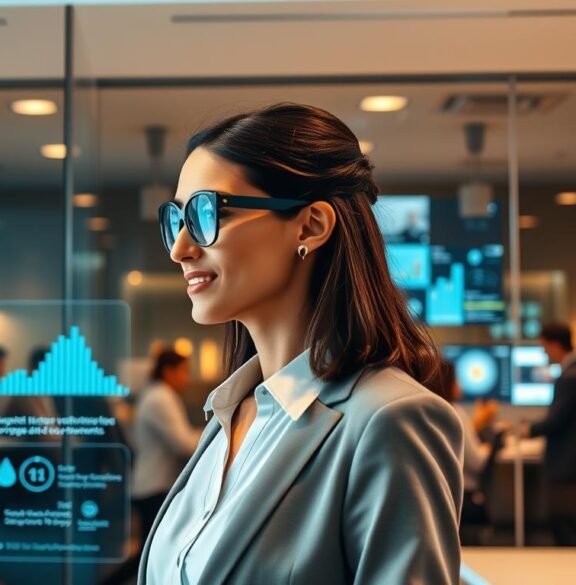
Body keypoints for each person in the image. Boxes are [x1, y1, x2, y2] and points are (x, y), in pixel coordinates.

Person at [141, 103, 463, 584]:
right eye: (178, 218)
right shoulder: (230, 414)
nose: (180, 247)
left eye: (206, 213)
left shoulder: (389, 420)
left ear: (310, 226)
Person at [102, 349, 201, 585]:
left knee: (152, 552)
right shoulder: (161, 398)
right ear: (168, 371)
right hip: (153, 486)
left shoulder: (156, 395)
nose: (186, 378)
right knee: (149, 555)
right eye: (183, 371)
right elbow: (183, 444)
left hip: (153, 484)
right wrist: (218, 435)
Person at [523, 322, 576, 545]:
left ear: (555, 345)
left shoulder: (569, 377)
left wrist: (528, 430)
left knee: (563, 524)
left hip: (566, 465)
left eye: (544, 347)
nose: (544, 354)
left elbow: (556, 421)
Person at [441, 359, 499, 542]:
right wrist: (492, 443)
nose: (460, 385)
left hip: (445, 495)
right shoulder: (455, 411)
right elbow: (477, 462)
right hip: (466, 496)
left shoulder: (434, 409)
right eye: (456, 379)